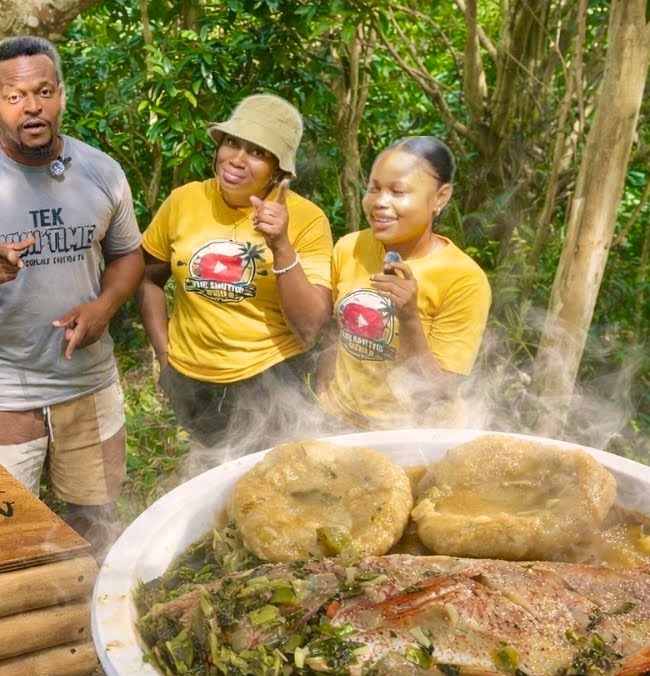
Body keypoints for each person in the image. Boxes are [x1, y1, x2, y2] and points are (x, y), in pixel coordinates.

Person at [0, 36, 143, 555]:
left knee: (95, 518)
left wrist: (104, 307)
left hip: (87, 381)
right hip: (2, 391)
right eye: (15, 96)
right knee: (3, 533)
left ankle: (85, 619)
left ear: (61, 95)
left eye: (43, 91)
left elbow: (129, 255)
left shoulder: (102, 172)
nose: (32, 106)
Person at [138, 94, 333, 454]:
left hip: (271, 384)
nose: (237, 160)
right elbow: (148, 278)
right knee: (213, 487)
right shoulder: (184, 201)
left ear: (278, 169)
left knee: (278, 491)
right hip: (194, 385)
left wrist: (280, 244)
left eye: (257, 152)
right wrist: (165, 358)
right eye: (232, 143)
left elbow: (310, 327)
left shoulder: (307, 219)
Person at [316, 136, 491, 429]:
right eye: (374, 188)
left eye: (398, 191)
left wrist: (409, 317)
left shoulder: (464, 279)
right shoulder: (350, 247)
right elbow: (336, 329)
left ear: (440, 197)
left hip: (414, 436)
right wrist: (324, 396)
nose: (380, 202)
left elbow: (439, 393)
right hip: (340, 423)